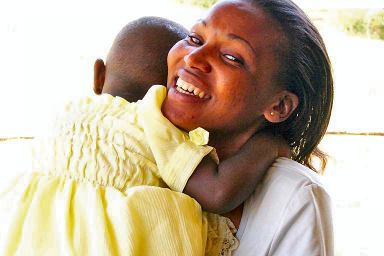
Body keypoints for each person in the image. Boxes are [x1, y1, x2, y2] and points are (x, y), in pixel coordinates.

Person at [0, 16, 289, 255]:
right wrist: (268, 145)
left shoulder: (66, 115)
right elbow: (217, 192)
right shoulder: (155, 121)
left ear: (99, 76)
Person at [160, 0, 334, 255]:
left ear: (279, 105)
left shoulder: (295, 196)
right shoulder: (144, 154)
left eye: (231, 57)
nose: (193, 57)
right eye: (196, 39)